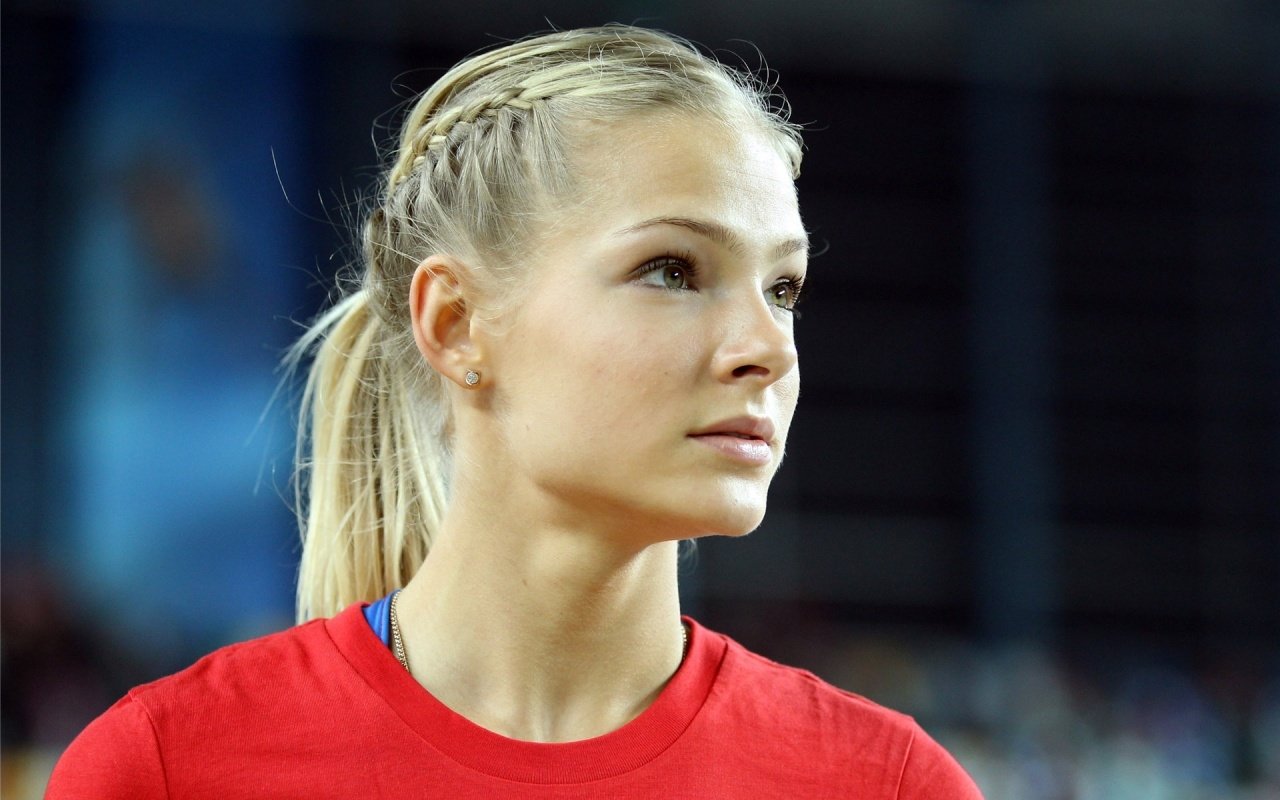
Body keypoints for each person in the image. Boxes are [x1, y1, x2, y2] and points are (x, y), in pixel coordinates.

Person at [46, 25, 983, 798]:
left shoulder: (886, 784)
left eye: (784, 288)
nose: (768, 347)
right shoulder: (168, 770)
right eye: (673, 270)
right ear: (455, 326)